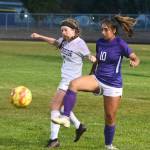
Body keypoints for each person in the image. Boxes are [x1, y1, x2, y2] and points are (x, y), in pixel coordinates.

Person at [52, 15, 140, 150]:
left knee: (110, 117)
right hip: (97, 79)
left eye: (106, 30)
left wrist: (134, 62)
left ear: (114, 30)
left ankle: (109, 145)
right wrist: (91, 74)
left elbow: (135, 57)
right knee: (74, 83)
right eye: (102, 30)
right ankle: (65, 117)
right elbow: (98, 59)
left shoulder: (120, 44)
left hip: (113, 85)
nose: (103, 32)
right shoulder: (100, 42)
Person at [31, 18, 96, 148]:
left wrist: (91, 59)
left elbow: (90, 56)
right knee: (61, 107)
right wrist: (39, 36)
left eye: (66, 30)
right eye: (62, 30)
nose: (63, 32)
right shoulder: (64, 41)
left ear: (74, 31)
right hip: (65, 79)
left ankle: (53, 140)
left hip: (71, 81)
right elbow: (54, 42)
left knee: (54, 106)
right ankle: (79, 126)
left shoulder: (79, 43)